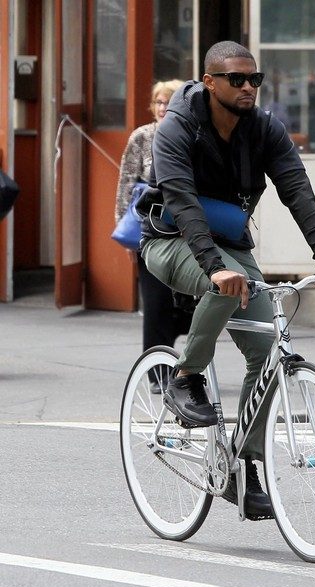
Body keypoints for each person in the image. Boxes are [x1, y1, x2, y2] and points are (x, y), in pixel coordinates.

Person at [139, 41, 315, 519]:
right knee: (225, 281)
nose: (248, 88)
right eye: (236, 79)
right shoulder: (177, 128)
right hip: (170, 239)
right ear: (210, 82)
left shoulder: (265, 129)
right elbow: (181, 202)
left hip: (230, 247)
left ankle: (245, 466)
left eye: (254, 79)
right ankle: (185, 377)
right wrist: (215, 265)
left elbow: (297, 190)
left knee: (266, 356)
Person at [115, 79, 192, 389]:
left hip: (186, 235)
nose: (162, 108)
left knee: (189, 307)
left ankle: (178, 349)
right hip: (150, 233)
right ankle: (157, 374)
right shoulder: (142, 137)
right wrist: (124, 229)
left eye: (168, 102)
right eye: (158, 102)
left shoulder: (190, 136)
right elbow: (125, 185)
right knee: (156, 304)